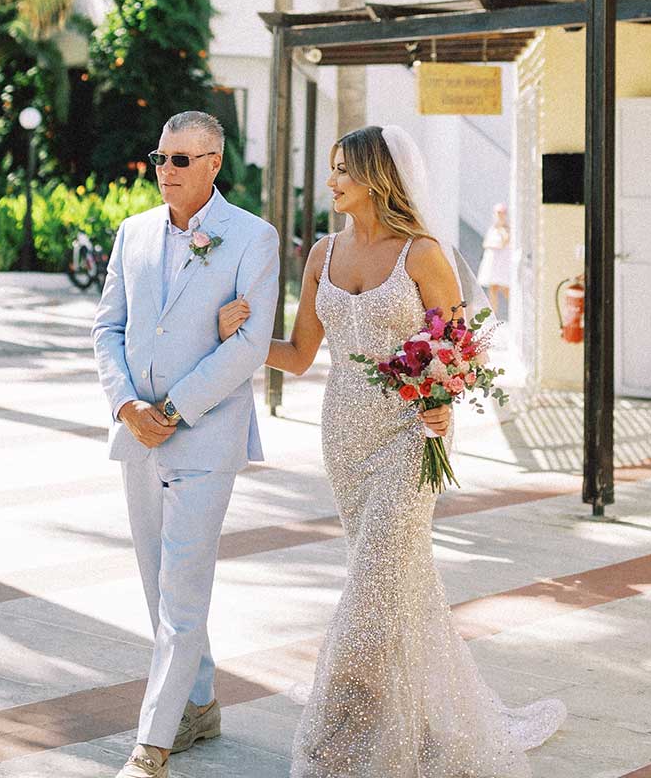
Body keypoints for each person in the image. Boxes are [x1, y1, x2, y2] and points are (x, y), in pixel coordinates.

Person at [217, 125, 564, 777]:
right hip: (344, 435)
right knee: (399, 586)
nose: (332, 181)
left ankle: (332, 740)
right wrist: (242, 336)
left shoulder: (423, 253)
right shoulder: (320, 254)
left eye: (344, 169)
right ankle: (426, 720)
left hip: (413, 435)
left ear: (377, 176)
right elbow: (297, 357)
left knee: (371, 585)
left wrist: (442, 398)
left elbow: (461, 348)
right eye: (332, 168)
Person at [91, 111, 280, 778]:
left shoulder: (253, 238)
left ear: (213, 164)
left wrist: (171, 409)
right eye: (160, 158)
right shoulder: (133, 232)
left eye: (179, 160)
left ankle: (153, 743)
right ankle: (198, 704)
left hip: (204, 437)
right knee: (155, 585)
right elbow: (107, 326)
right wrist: (127, 405)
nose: (164, 171)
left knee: (183, 592)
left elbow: (251, 347)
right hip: (137, 435)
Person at [477, 202, 512, 319]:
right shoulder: (493, 228)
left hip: (501, 263)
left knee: (506, 289)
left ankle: (514, 311)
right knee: (493, 289)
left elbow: (504, 242)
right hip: (492, 262)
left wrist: (501, 228)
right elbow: (485, 243)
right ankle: (493, 314)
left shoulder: (506, 229)